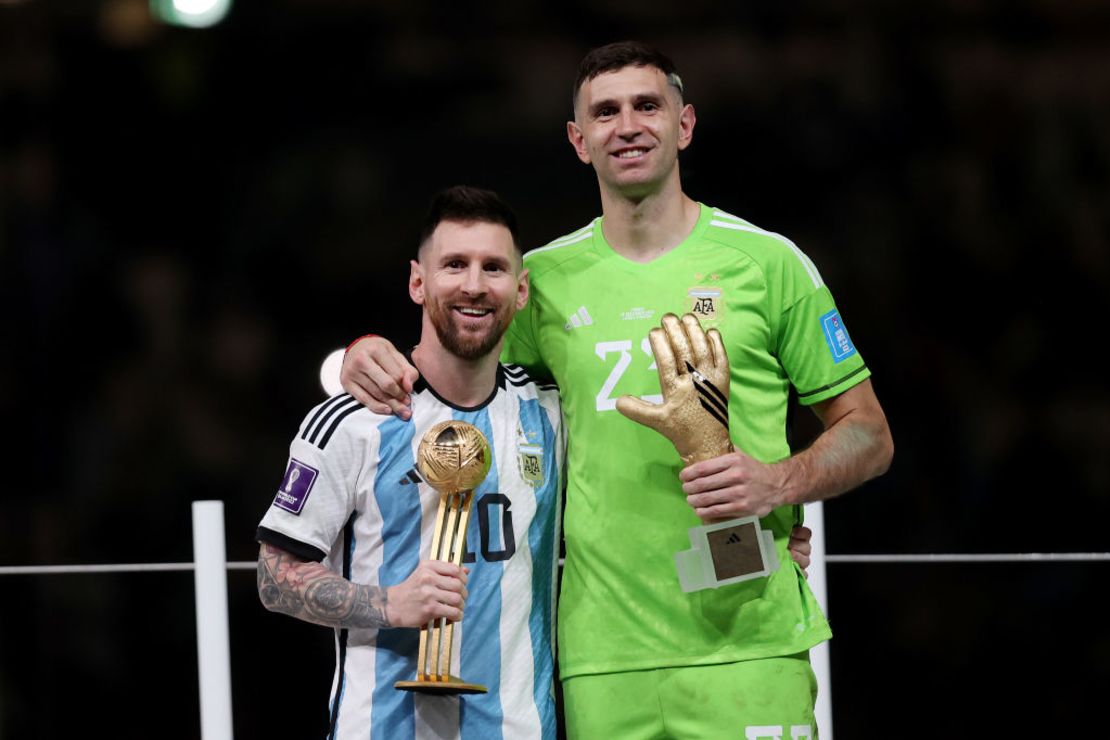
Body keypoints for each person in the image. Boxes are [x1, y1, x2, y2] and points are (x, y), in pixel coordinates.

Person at [342, 42, 892, 739]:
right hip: (602, 656)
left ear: (684, 125)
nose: (626, 125)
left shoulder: (767, 263)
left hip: (749, 641)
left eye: (646, 106)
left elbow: (870, 433)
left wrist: (779, 483)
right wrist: (364, 352)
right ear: (579, 140)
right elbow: (445, 368)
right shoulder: (538, 282)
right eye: (605, 112)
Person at [255, 186, 566, 739]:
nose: (474, 284)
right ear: (417, 282)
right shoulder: (352, 421)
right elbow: (274, 576)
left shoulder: (550, 413)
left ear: (520, 291)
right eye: (454, 265)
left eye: (493, 267)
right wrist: (390, 602)